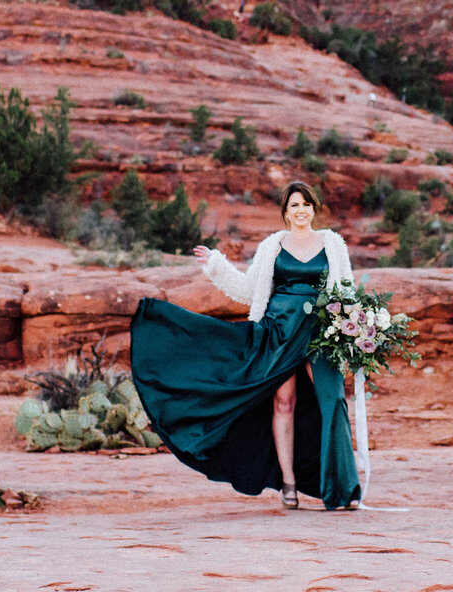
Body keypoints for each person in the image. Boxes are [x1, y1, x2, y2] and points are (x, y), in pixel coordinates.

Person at [130, 181, 362, 510]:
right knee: (285, 403)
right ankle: (288, 484)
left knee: (333, 399)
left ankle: (342, 487)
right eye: (294, 205)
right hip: (279, 333)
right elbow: (248, 290)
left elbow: (347, 291)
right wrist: (216, 264)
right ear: (285, 212)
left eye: (306, 205)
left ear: (314, 208)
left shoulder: (333, 244)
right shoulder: (273, 246)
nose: (300, 211)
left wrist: (356, 329)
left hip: (322, 332)